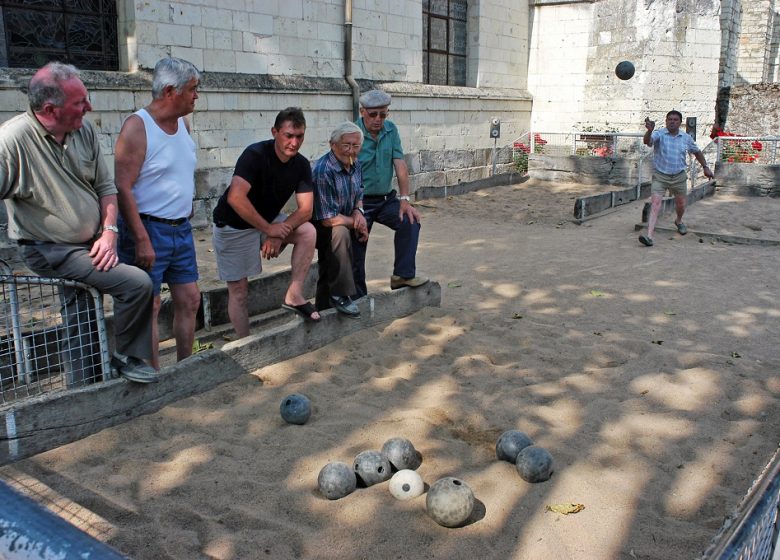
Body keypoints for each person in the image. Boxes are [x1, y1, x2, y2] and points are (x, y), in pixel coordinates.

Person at [0, 62, 157, 384]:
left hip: (91, 241)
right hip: (49, 248)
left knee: (82, 309)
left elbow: (106, 188)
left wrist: (109, 232)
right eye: (80, 102)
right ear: (50, 109)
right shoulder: (12, 140)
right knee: (135, 283)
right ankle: (126, 357)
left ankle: (85, 386)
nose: (89, 107)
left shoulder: (83, 130)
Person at [114, 57, 201, 370]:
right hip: (148, 228)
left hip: (181, 229)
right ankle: (154, 373)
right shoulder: (137, 127)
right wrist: (140, 238)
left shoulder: (183, 124)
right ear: (169, 91)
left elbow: (179, 169)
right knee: (148, 305)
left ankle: (184, 367)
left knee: (190, 298)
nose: (196, 95)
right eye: (192, 89)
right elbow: (123, 187)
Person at [212, 107, 319, 338]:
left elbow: (306, 210)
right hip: (233, 225)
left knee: (308, 232)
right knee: (239, 291)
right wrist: (270, 229)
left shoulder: (301, 164)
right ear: (275, 132)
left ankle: (294, 294)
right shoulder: (255, 154)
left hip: (267, 222)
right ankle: (245, 341)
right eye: (288, 135)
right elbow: (235, 198)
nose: (294, 142)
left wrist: (276, 232)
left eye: (299, 136)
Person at [353, 89, 428, 295]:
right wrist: (355, 208)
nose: (378, 119)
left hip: (386, 199)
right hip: (360, 202)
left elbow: (400, 163)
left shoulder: (391, 130)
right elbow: (346, 171)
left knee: (410, 221)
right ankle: (357, 295)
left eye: (383, 114)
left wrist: (405, 199)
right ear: (362, 112)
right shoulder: (353, 133)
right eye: (373, 114)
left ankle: (402, 275)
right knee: (356, 243)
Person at [311, 122, 368, 317]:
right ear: (332, 145)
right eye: (346, 145)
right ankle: (341, 294)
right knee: (340, 233)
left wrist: (359, 212)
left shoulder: (355, 163)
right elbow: (328, 219)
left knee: (329, 269)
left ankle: (322, 309)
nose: (351, 151)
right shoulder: (323, 170)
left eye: (356, 146)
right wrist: (357, 223)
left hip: (343, 219)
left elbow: (359, 192)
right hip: (320, 227)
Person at [639, 110, 714, 247]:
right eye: (670, 119)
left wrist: (705, 167)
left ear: (680, 123)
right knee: (655, 204)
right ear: (666, 121)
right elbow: (647, 141)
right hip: (660, 175)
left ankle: (678, 221)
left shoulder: (686, 138)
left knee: (680, 204)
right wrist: (649, 131)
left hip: (679, 176)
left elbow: (697, 152)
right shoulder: (659, 134)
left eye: (675, 119)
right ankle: (649, 236)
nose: (672, 121)